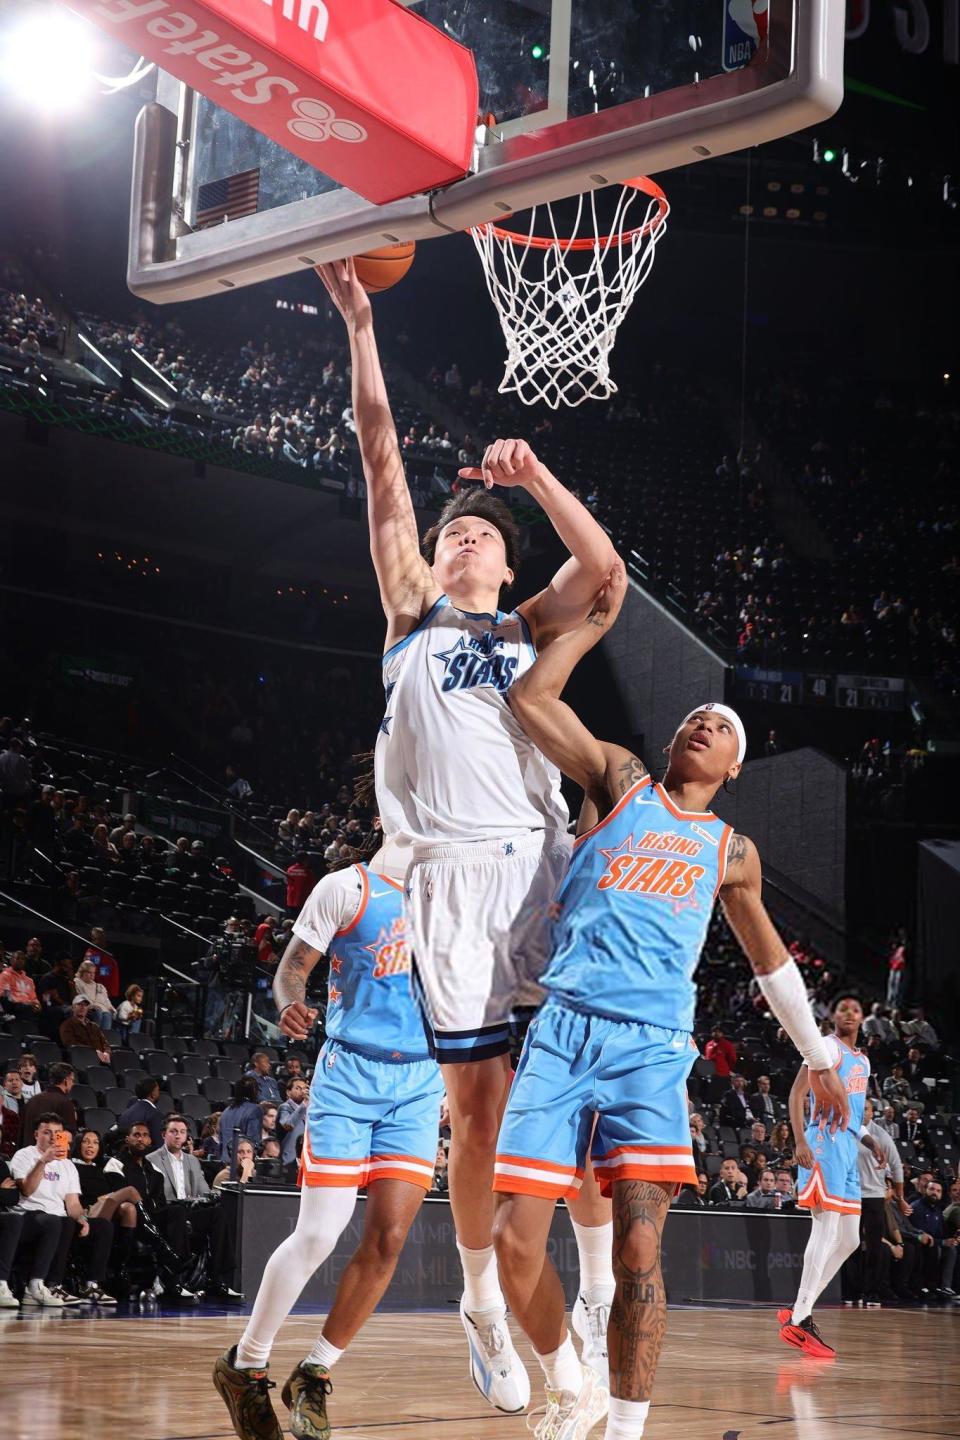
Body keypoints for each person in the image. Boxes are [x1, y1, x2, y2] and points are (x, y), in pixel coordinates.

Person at [317, 256, 618, 1412]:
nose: (463, 542)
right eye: (453, 535)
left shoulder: (529, 628)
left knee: (570, 1113)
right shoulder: (412, 615)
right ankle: (489, 1306)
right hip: (450, 886)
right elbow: (377, 449)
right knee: (477, 1119)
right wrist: (361, 322)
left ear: (506, 561)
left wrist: (533, 479)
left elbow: (601, 570)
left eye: (481, 536)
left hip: (544, 869)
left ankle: (576, 1301)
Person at [487, 565, 848, 1440]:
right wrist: (588, 630)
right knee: (512, 1243)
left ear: (735, 764)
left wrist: (819, 1057)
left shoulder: (732, 851)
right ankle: (569, 1379)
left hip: (650, 1050)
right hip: (563, 1030)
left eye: (720, 724)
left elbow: (770, 964)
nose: (702, 723)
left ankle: (627, 1429)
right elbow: (530, 700)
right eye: (694, 716)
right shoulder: (622, 782)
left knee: (642, 1246)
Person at [215, 841, 445, 1440]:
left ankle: (314, 1372)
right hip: (351, 1075)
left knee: (389, 1238)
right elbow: (292, 968)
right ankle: (245, 1364)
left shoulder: (456, 889)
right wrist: (290, 1003)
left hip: (420, 1082)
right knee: (319, 1233)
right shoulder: (347, 887)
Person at [780, 995, 882, 1357]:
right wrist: (799, 1140)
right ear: (834, 1017)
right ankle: (800, 1317)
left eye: (855, 1009)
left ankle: (799, 1308)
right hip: (824, 1143)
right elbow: (796, 1094)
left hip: (849, 1147)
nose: (849, 1013)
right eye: (842, 1009)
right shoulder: (826, 1047)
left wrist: (869, 1140)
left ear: (863, 1017)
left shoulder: (863, 1061)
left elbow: (852, 1112)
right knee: (825, 1228)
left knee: (850, 1239)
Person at [11, 1112, 116, 1305]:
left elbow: (73, 1204)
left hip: (59, 1220)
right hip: (30, 1216)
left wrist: (82, 1219)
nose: (53, 1137)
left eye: (57, 1133)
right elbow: (26, 1190)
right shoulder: (24, 1155)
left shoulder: (67, 1165)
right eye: (47, 1132)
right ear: (36, 1135)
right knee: (62, 1222)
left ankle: (91, 1285)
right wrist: (43, 1161)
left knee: (102, 1226)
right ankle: (52, 1285)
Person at [148, 1114, 240, 1299]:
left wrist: (205, 1198)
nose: (178, 1136)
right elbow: (155, 1196)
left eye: (182, 1132)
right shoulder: (152, 1159)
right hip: (166, 1212)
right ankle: (174, 1280)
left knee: (218, 1214)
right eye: (173, 1131)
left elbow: (204, 1191)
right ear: (164, 1134)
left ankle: (216, 1280)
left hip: (188, 1210)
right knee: (177, 1212)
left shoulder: (192, 1161)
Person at [19, 1062, 78, 1145]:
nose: (72, 1083)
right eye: (72, 1080)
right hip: (50, 1152)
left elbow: (21, 1133)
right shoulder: (65, 1103)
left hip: (27, 1151)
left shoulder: (31, 1101)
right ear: (66, 1081)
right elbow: (68, 1135)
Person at [218, 1077, 264, 1161]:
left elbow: (221, 1142)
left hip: (224, 1161)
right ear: (254, 1091)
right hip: (242, 1162)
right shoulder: (255, 1110)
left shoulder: (226, 1111)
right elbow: (253, 1141)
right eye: (258, 1090)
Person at [118, 1077, 165, 1151]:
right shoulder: (155, 1114)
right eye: (158, 1090)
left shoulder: (124, 1114)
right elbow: (159, 1147)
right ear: (153, 1094)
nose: (159, 1093)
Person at [58, 995, 112, 1061]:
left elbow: (105, 1043)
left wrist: (106, 1052)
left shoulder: (94, 1026)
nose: (83, 1007)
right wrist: (94, 1052)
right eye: (79, 1004)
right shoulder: (67, 1025)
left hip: (101, 1060)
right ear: (72, 1008)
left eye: (85, 1005)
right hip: (83, 1059)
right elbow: (70, 1044)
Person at [73, 958, 116, 1031]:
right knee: (97, 1012)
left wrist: (113, 1010)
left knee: (107, 1014)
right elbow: (79, 997)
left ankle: (104, 1037)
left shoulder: (99, 986)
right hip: (87, 1009)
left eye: (93, 973)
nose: (92, 975)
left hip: (101, 1010)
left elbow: (106, 1001)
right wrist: (90, 1006)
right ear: (82, 972)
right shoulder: (78, 982)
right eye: (89, 972)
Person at [0, 949, 41, 1023]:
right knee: (27, 1009)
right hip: (13, 1006)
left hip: (27, 1006)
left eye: (22, 959)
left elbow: (33, 998)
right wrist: (25, 1003)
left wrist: (37, 1005)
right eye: (18, 958)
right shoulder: (5, 975)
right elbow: (4, 995)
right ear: (11, 961)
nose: (20, 961)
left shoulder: (29, 980)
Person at [277, 1078, 308, 1171]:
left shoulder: (308, 1109)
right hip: (288, 1161)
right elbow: (288, 1125)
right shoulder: (284, 1107)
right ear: (288, 1092)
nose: (302, 1091)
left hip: (304, 1160)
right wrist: (303, 1105)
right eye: (297, 1088)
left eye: (304, 1088)